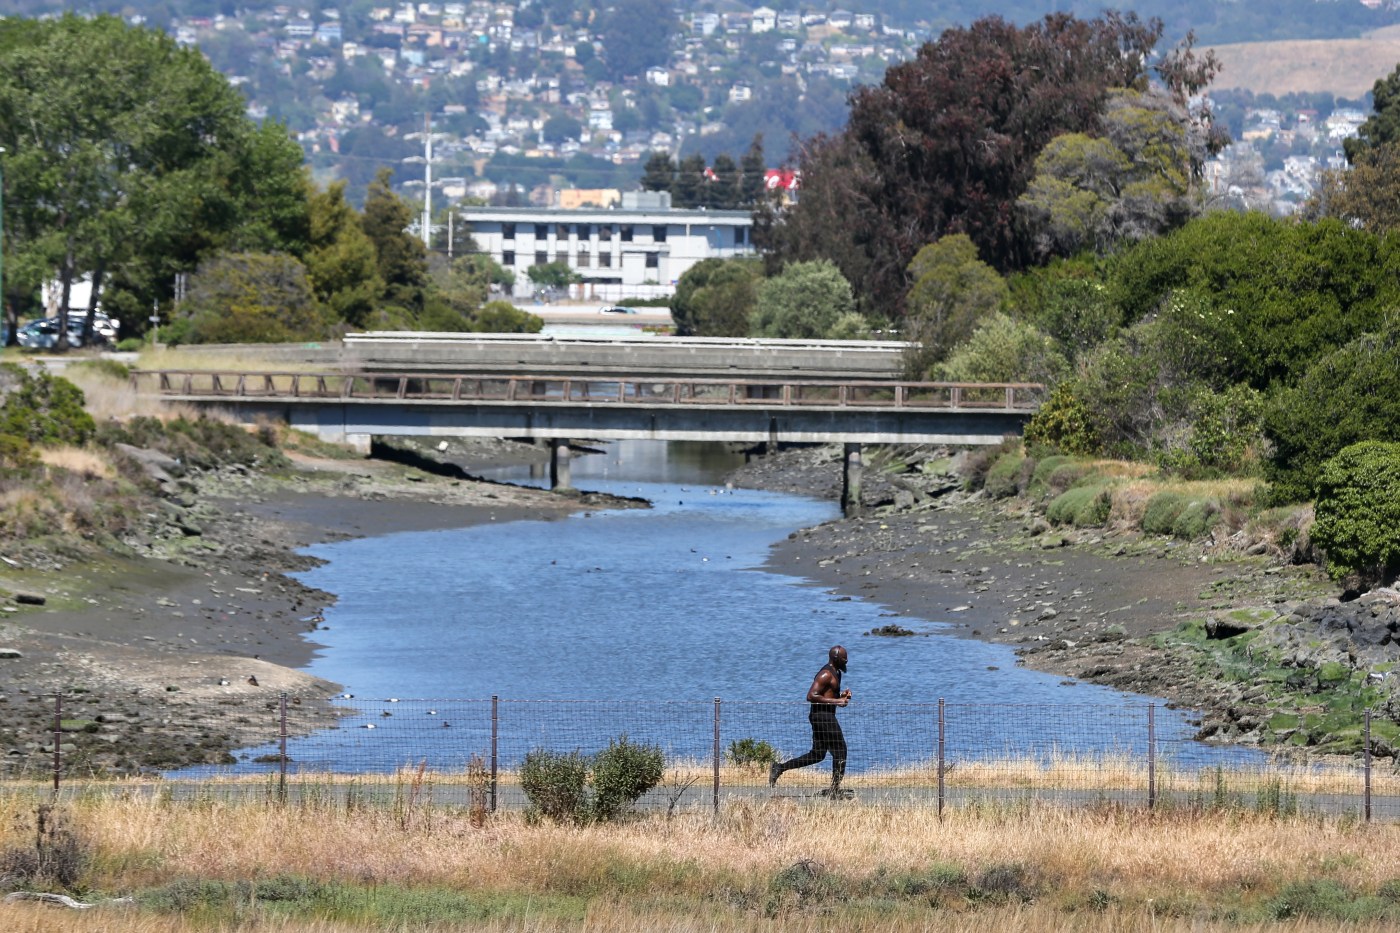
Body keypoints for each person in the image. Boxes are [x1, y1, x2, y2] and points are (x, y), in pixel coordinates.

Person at [769, 645, 851, 796]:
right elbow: (811, 695)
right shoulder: (825, 674)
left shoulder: (837, 673)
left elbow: (829, 695)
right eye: (843, 660)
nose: (846, 663)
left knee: (817, 755)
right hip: (822, 717)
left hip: (825, 716)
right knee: (841, 751)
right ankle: (834, 791)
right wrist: (837, 702)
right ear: (835, 659)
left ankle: (779, 768)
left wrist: (842, 696)